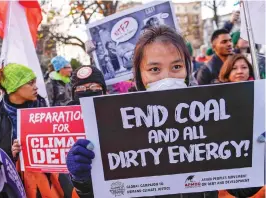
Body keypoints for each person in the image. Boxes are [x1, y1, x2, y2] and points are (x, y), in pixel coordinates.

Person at [66, 26, 262, 198]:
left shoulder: (212, 116)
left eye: (176, 66)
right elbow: (104, 192)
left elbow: (242, 189)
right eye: (154, 69)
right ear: (139, 76)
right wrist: (83, 180)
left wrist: (260, 158)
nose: (167, 77)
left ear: (187, 70)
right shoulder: (114, 124)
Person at [0, 63, 47, 197]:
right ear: (14, 87)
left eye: (35, 82)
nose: (35, 87)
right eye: (30, 83)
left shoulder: (43, 108)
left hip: (43, 187)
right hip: (9, 186)